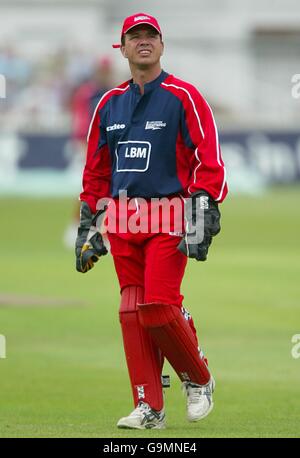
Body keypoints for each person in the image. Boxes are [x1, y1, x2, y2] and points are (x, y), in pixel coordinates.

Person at [75, 13, 228, 429]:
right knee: (131, 312)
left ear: (161, 46)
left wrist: (204, 205)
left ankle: (199, 378)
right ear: (121, 48)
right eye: (134, 36)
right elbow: (96, 171)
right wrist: (90, 221)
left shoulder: (185, 96)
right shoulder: (108, 105)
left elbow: (208, 158)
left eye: (151, 36)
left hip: (170, 216)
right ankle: (149, 408)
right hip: (123, 219)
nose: (143, 42)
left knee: (158, 308)